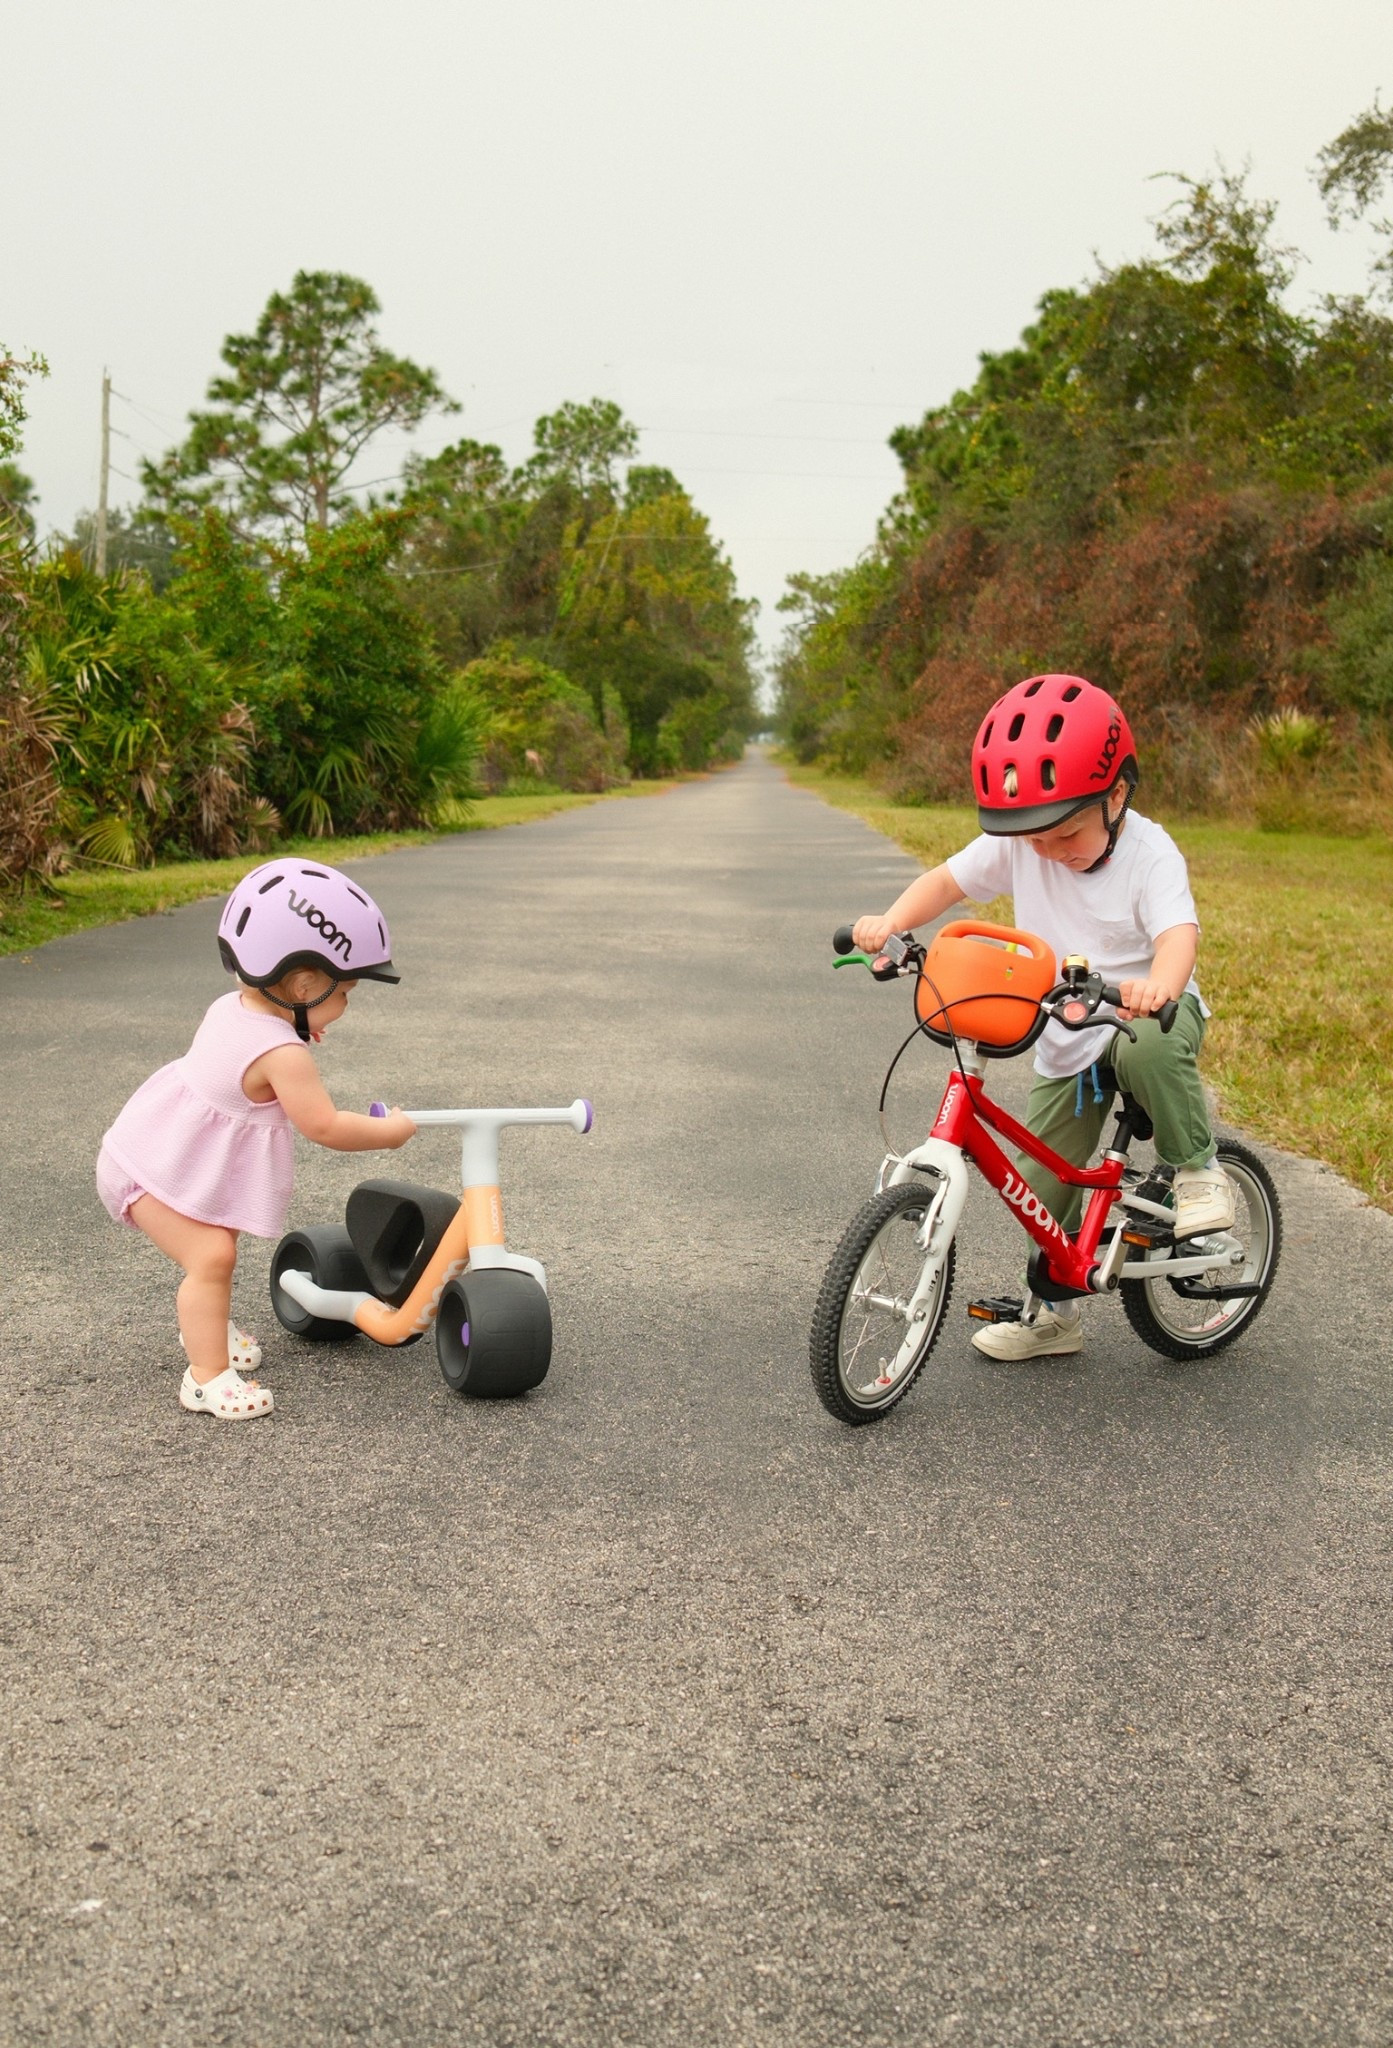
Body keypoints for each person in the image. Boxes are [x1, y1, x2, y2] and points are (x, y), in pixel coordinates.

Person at [852, 672, 1234, 1362]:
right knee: (1038, 1189)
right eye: (1034, 839)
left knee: (1147, 1048)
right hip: (1067, 1035)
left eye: (1066, 834)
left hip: (1141, 1016)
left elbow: (1178, 935)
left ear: (1116, 794)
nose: (1048, 851)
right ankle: (1051, 1316)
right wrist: (892, 923)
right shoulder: (1022, 840)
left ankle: (1198, 1167)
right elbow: (945, 881)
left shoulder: (1150, 855)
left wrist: (1158, 988)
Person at [96, 860, 416, 1418]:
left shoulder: (238, 1005)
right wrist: (390, 1134)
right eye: (346, 992)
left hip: (154, 1152)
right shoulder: (283, 1054)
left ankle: (208, 1326)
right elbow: (324, 1125)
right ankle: (206, 1378)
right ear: (302, 984)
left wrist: (295, 1026)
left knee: (218, 1240)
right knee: (212, 1255)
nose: (346, 1007)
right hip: (145, 1171)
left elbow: (248, 1053)